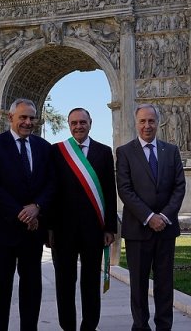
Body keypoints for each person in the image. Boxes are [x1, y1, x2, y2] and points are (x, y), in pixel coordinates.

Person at [0, 98, 54, 331]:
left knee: (32, 288)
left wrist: (37, 207)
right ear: (10, 117)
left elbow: (51, 183)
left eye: (32, 118)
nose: (28, 122)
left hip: (33, 232)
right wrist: (21, 213)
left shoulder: (44, 147)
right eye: (23, 117)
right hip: (2, 229)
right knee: (0, 288)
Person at [115, 104, 186, 331]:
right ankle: (140, 327)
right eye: (143, 121)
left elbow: (179, 187)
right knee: (138, 285)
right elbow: (125, 190)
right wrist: (149, 217)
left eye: (151, 121)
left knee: (165, 284)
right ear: (136, 124)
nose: (147, 126)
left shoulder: (171, 150)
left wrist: (163, 216)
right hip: (138, 229)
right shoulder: (124, 152)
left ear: (158, 123)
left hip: (166, 229)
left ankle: (164, 327)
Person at [49, 108, 117, 331]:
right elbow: (51, 190)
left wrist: (110, 228)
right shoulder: (58, 151)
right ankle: (67, 326)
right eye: (74, 123)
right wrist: (49, 229)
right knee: (65, 283)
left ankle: (89, 326)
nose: (78, 126)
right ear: (69, 125)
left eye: (82, 122)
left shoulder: (104, 152)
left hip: (93, 230)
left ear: (90, 123)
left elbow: (109, 191)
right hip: (63, 230)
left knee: (90, 283)